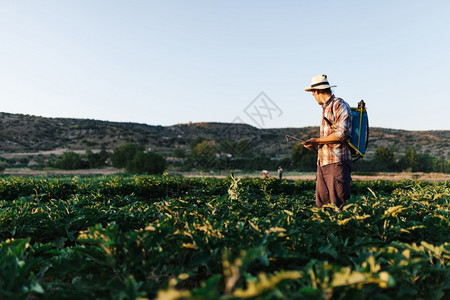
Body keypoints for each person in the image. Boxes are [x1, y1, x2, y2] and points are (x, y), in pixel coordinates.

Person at [302, 74, 352, 209]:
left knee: (338, 208)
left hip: (337, 163)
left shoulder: (339, 104)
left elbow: (342, 134)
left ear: (316, 91)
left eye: (313, 94)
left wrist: (317, 141)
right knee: (322, 208)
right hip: (323, 164)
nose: (313, 97)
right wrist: (316, 144)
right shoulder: (325, 109)